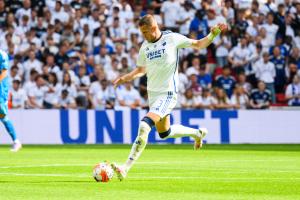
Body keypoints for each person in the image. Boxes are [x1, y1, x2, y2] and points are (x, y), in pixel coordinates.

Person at [110, 14, 226, 181]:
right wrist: (124, 78)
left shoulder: (172, 38)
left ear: (154, 28)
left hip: (168, 93)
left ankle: (125, 168)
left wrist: (213, 34)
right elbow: (141, 70)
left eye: (145, 32)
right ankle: (197, 133)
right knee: (165, 133)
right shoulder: (145, 47)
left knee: (144, 126)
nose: (143, 36)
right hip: (153, 95)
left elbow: (199, 44)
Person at [0, 49, 22, 151]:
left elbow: (4, 73)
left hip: (1, 92)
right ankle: (16, 141)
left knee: (3, 117)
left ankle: (16, 141)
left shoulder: (2, 54)